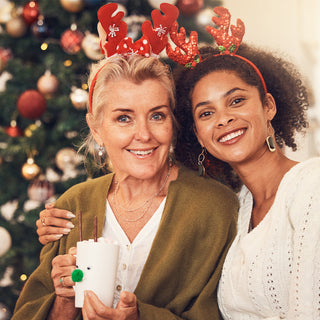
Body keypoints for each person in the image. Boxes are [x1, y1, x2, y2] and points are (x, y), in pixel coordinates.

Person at [13, 47, 238, 320]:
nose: (143, 134)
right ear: (96, 128)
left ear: (173, 123)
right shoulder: (73, 205)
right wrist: (64, 300)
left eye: (157, 116)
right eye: (123, 118)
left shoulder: (215, 207)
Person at [171, 8, 320, 319]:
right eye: (206, 113)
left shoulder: (311, 186)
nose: (224, 119)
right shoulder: (237, 205)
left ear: (268, 106)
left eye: (236, 100)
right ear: (199, 136)